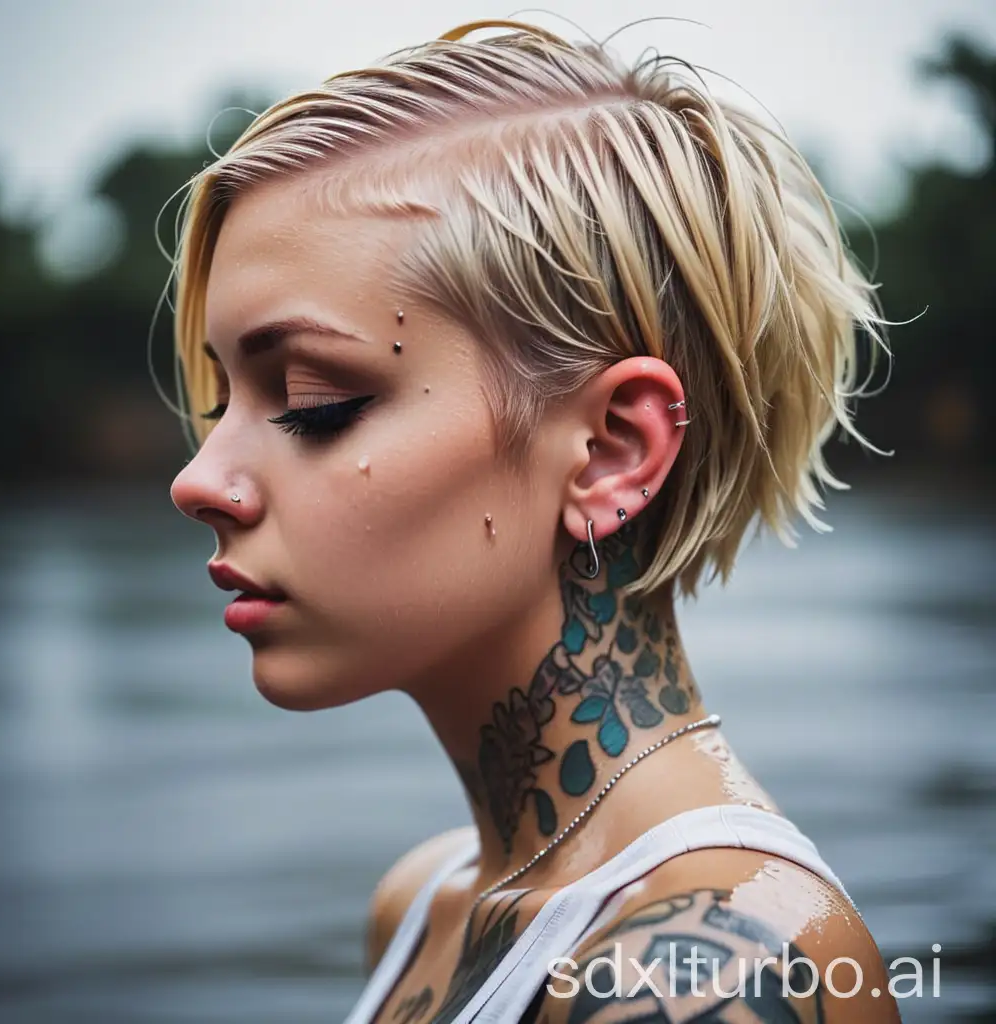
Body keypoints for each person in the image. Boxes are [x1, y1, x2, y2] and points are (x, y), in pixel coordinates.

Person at [168, 18, 900, 1023]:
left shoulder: (702, 976)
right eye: (221, 406)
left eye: (310, 398)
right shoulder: (423, 906)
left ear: (608, 451)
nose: (200, 478)